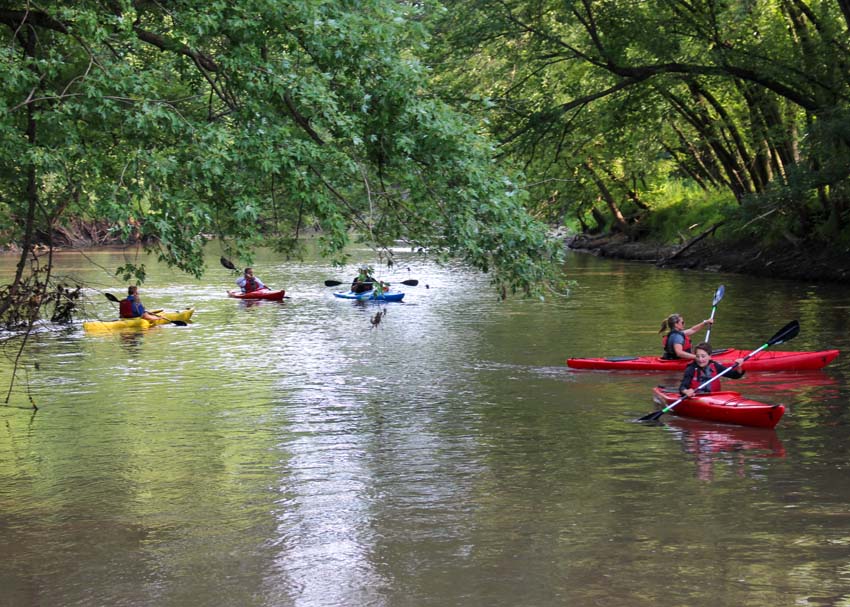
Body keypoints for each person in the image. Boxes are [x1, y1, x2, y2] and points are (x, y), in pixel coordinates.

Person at [679, 342, 745, 397]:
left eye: (703, 356)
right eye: (697, 356)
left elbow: (735, 375)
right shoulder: (691, 369)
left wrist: (739, 366)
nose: (700, 359)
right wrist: (686, 391)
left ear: (710, 356)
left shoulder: (715, 366)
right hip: (696, 398)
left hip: (714, 399)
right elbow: (682, 387)